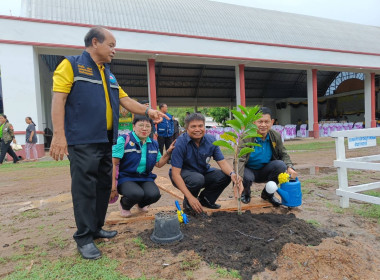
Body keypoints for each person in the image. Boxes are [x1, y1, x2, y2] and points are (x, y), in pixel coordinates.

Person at [50, 26, 167, 260]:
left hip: (106, 140)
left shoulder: (108, 73)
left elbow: (124, 99)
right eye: (111, 45)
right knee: (84, 189)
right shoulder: (71, 64)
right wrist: (59, 135)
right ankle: (83, 238)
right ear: (95, 42)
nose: (114, 50)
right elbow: (59, 99)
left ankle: (96, 228)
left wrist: (148, 110)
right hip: (82, 140)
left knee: (103, 186)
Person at [169, 113, 242, 214]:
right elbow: (175, 174)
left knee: (224, 176)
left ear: (204, 126)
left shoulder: (211, 140)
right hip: (183, 175)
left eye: (200, 126)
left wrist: (232, 174)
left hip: (202, 173)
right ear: (187, 128)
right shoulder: (181, 142)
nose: (197, 129)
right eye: (193, 126)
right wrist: (190, 197)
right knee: (197, 179)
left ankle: (206, 200)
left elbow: (223, 162)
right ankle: (190, 203)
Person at [111, 115, 174, 217]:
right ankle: (124, 205)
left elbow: (159, 164)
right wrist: (113, 186)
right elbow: (113, 163)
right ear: (134, 127)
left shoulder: (153, 143)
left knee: (154, 195)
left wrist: (168, 152)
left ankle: (141, 204)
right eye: (141, 125)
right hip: (126, 177)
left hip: (145, 177)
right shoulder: (123, 140)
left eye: (148, 126)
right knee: (136, 194)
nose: (144, 129)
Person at [238, 107, 297, 206]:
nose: (263, 125)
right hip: (249, 170)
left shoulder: (275, 136)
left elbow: (283, 153)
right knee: (245, 176)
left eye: (266, 122)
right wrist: (238, 177)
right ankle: (246, 193)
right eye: (260, 122)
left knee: (281, 166)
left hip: (265, 169)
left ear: (272, 122)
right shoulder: (246, 137)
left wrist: (289, 167)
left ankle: (267, 194)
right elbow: (240, 159)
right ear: (254, 122)